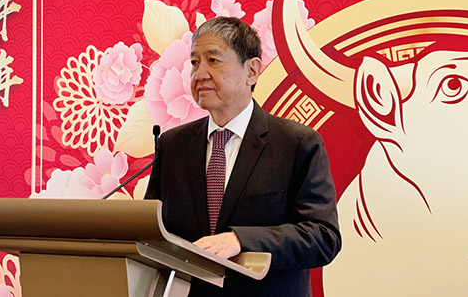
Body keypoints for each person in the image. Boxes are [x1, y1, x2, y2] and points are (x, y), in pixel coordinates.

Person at [145, 16, 341, 296]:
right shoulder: (173, 145)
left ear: (252, 71)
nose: (199, 74)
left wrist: (241, 240)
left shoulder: (297, 143)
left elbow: (322, 237)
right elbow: (152, 232)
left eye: (213, 60)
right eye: (194, 62)